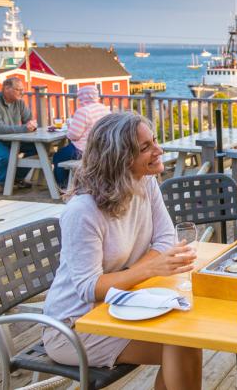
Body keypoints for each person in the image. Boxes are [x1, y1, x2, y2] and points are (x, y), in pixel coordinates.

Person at [42, 112, 202, 390]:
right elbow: (89, 288)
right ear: (119, 159)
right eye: (146, 148)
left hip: (126, 304)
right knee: (181, 343)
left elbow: (165, 239)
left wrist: (136, 274)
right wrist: (147, 269)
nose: (158, 150)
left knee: (186, 339)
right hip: (75, 326)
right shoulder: (83, 212)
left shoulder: (145, 182)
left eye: (154, 141)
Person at [52, 85, 110, 188]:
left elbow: (74, 136)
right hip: (102, 149)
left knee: (58, 157)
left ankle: (63, 187)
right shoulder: (105, 109)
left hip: (83, 150)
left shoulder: (83, 111)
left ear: (82, 97)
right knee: (64, 154)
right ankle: (73, 183)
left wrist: (70, 129)